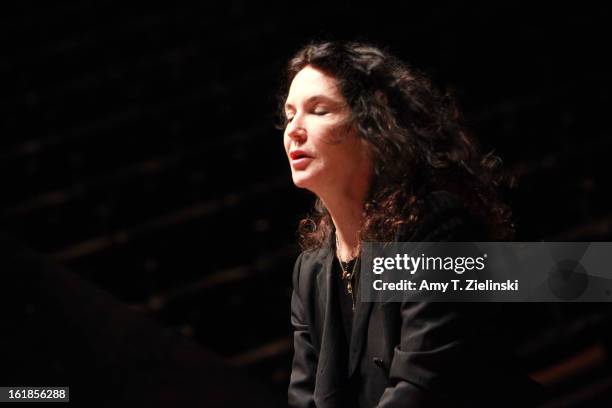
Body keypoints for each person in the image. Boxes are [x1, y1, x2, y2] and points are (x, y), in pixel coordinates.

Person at [280, 41, 544, 407]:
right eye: (290, 114)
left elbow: (423, 387)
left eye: (319, 111)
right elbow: (304, 398)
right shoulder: (308, 272)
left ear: (373, 124)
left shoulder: (435, 226)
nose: (294, 129)